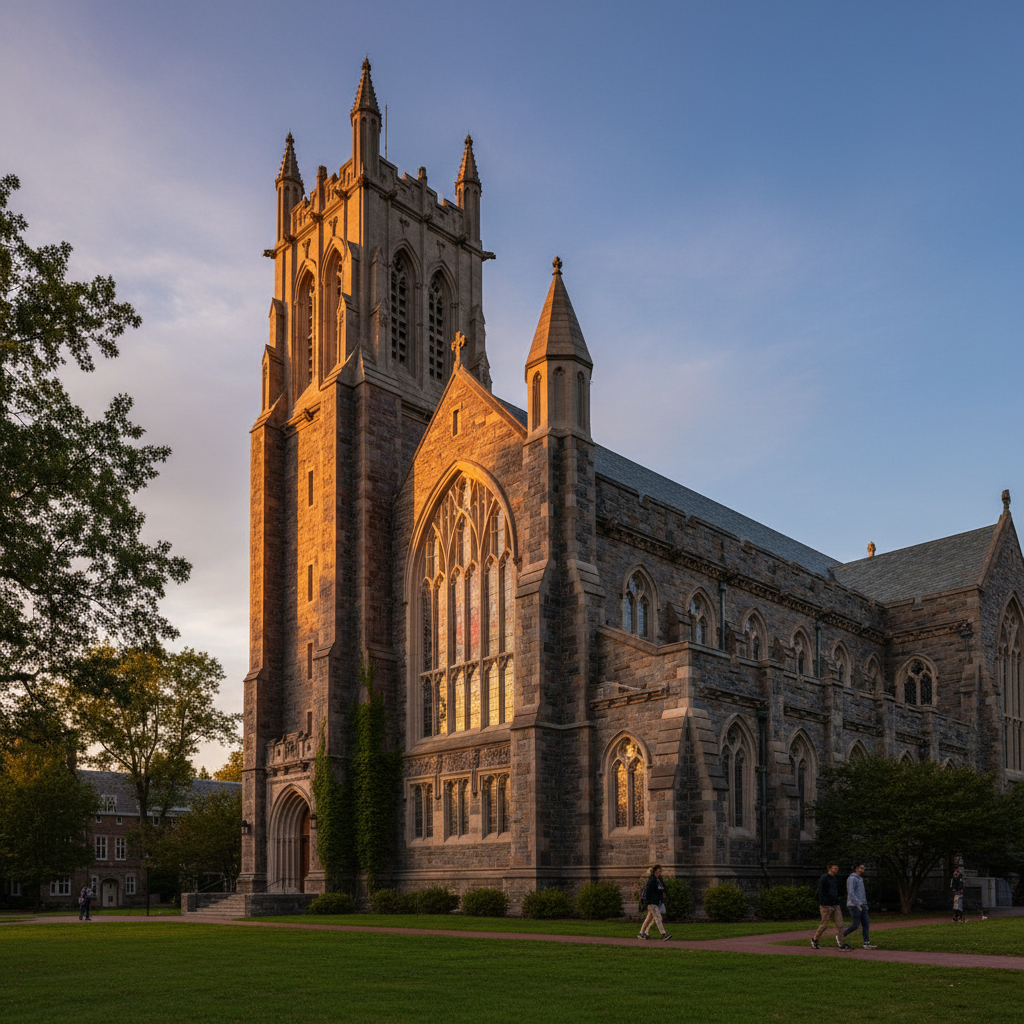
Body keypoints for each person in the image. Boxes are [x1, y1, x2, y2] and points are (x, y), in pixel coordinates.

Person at [812, 863, 851, 950]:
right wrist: (825, 903)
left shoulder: (834, 879)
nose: (836, 870)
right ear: (829, 868)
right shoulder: (824, 878)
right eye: (834, 868)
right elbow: (821, 891)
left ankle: (841, 943)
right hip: (826, 905)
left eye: (837, 868)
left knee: (840, 924)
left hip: (835, 904)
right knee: (824, 924)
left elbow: (835, 890)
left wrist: (837, 899)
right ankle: (815, 939)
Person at [843, 863, 877, 949]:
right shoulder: (852, 879)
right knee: (855, 924)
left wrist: (863, 904)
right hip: (854, 905)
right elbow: (851, 892)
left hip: (863, 905)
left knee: (866, 924)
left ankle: (867, 943)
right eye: (861, 868)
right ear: (856, 868)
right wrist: (857, 903)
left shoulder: (860, 879)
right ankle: (841, 935)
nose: (863, 870)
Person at [637, 864, 672, 941]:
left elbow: (661, 888)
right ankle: (663, 934)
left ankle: (641, 933)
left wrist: (662, 893)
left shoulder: (658, 880)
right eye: (657, 872)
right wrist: (647, 902)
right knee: (658, 917)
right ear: (654, 871)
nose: (659, 873)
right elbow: (648, 892)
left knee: (649, 918)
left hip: (656, 901)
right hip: (652, 902)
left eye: (660, 872)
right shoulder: (652, 880)